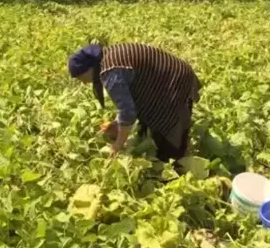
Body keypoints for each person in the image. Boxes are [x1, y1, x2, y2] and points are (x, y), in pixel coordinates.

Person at [67, 43, 201, 163]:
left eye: (81, 77)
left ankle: (178, 168)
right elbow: (131, 99)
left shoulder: (110, 72)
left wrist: (117, 145)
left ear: (88, 69)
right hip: (170, 78)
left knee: (169, 132)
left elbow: (127, 112)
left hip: (175, 83)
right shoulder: (108, 57)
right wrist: (117, 125)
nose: (83, 82)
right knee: (152, 124)